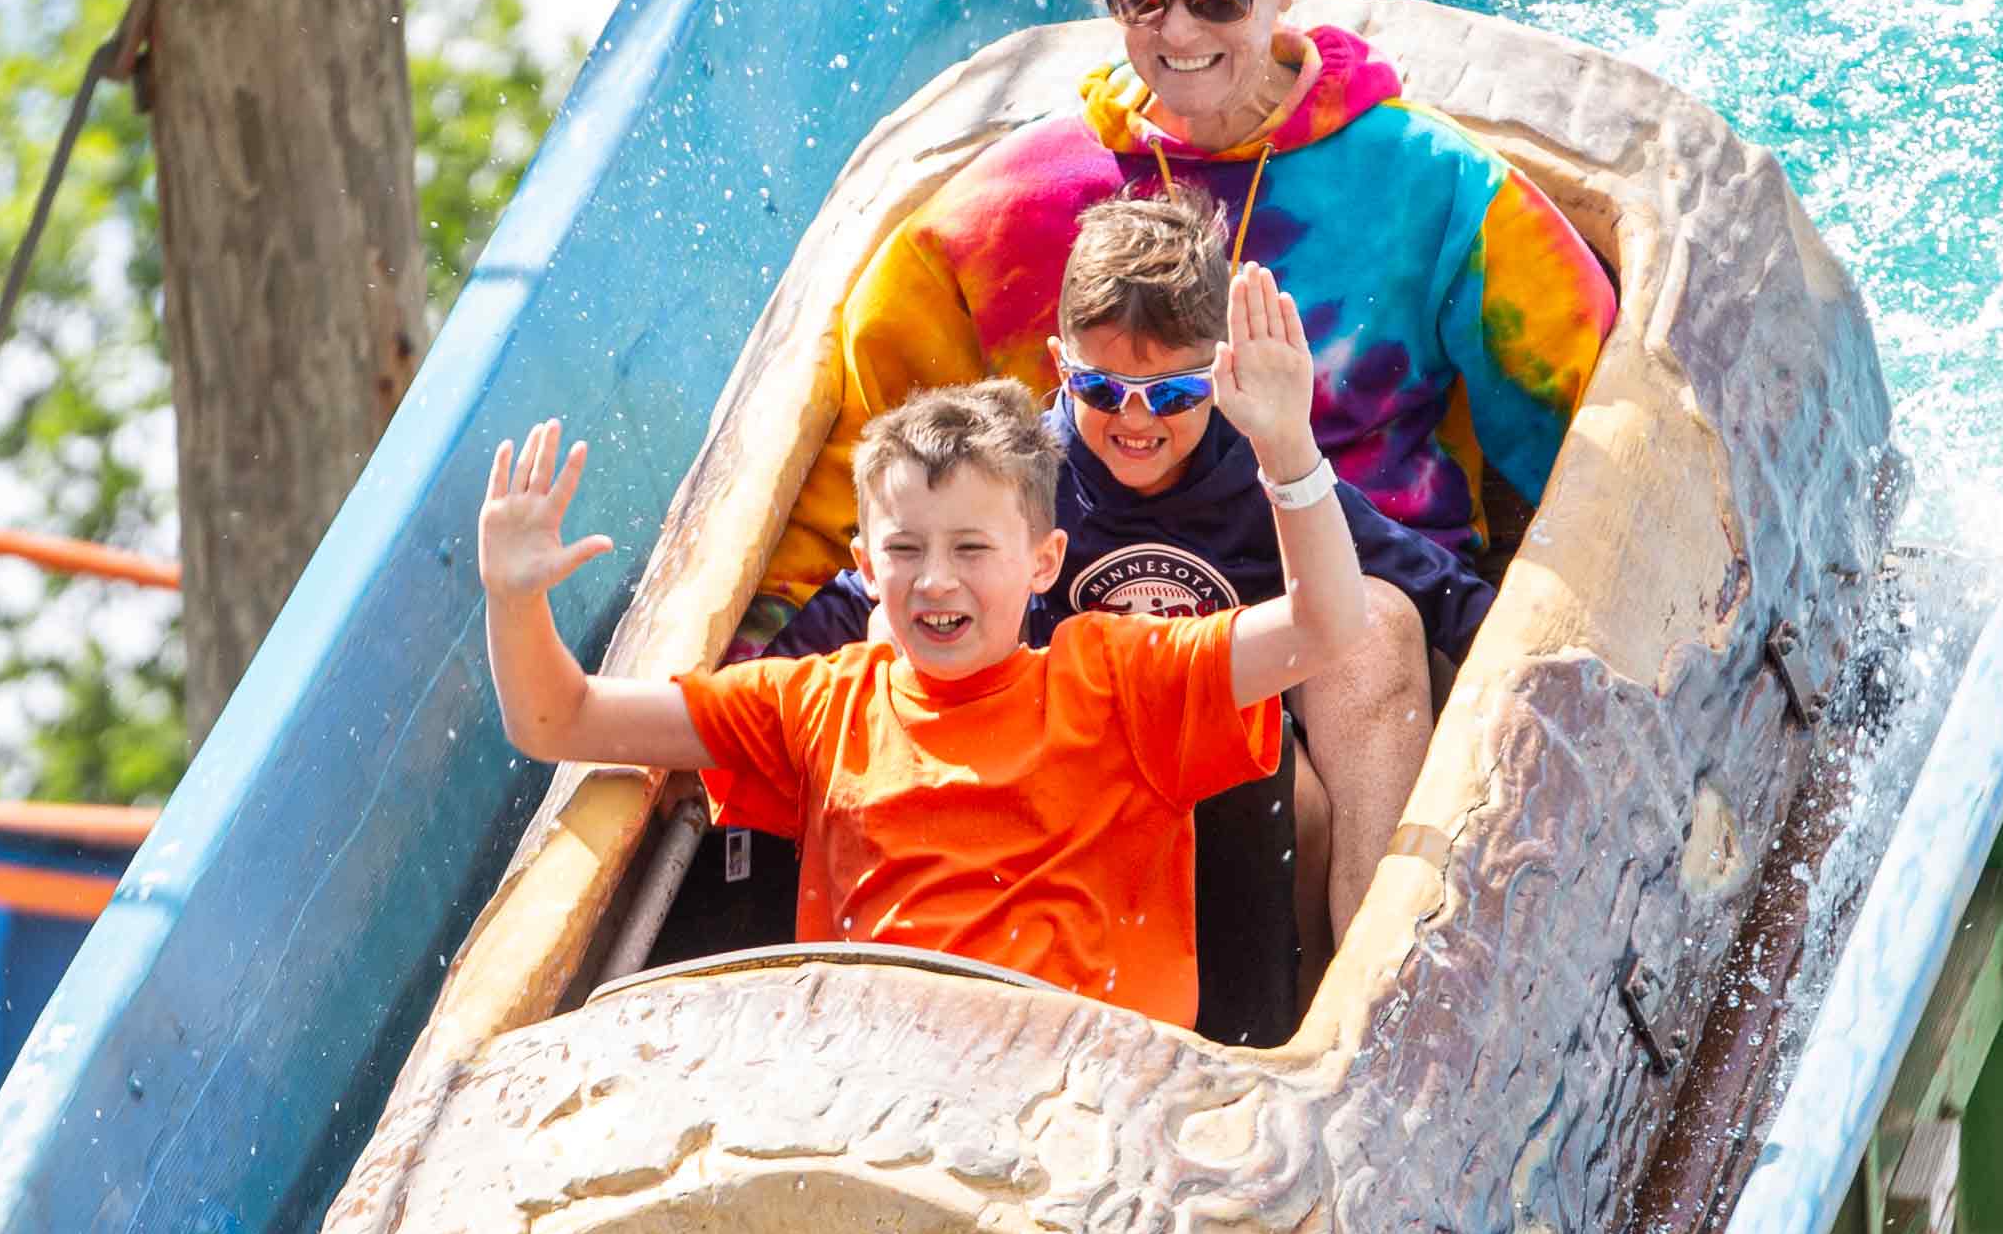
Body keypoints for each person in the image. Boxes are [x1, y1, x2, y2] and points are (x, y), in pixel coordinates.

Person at [757, 0, 1617, 650]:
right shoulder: (1002, 211)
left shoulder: (1433, 185)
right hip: (1081, 648)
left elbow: (1597, 438)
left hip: (1366, 619)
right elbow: (870, 470)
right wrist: (762, 648)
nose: (1178, 29)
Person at [478, 265, 1371, 1029]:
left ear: (1042, 561)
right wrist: (514, 599)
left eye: (972, 550)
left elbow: (1326, 624)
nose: (936, 580)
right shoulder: (822, 703)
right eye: (906, 551)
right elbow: (561, 718)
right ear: (866, 565)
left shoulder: (1116, 676)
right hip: (884, 1093)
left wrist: (1288, 448)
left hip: (1080, 1099)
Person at [780, 193, 1491, 946]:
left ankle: (1371, 969)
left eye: (1175, 393)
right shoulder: (1018, 473)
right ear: (1060, 367)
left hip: (1248, 794)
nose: (1136, 419)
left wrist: (1541, 676)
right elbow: (875, 589)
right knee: (888, 630)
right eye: (1100, 389)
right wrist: (756, 668)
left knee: (1375, 624)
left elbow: (1440, 592)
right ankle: (910, 940)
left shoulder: (1260, 469)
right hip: (1055, 783)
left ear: (1221, 376)